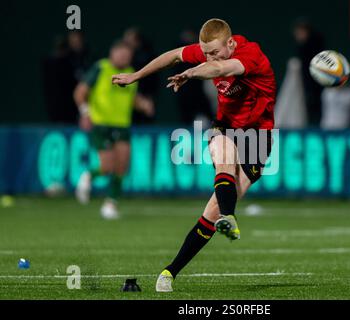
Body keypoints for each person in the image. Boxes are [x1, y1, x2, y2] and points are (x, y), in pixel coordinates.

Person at [112, 18, 276, 292]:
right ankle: (170, 271)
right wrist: (135, 76)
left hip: (258, 140)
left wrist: (192, 72)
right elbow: (173, 55)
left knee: (209, 215)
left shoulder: (251, 56)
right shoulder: (210, 51)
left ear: (231, 43)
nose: (209, 56)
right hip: (225, 127)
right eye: (205, 52)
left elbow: (222, 67)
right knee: (222, 151)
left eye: (213, 51)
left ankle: (221, 218)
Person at [74, 41, 154, 219]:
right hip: (101, 124)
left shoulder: (132, 74)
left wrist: (143, 105)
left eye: (127, 55)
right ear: (112, 53)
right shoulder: (100, 68)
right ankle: (88, 176)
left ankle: (111, 204)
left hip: (122, 125)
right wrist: (85, 113)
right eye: (121, 54)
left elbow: (132, 99)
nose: (124, 57)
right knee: (107, 166)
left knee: (122, 166)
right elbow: (80, 92)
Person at [292, 18, 325, 127]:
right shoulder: (303, 48)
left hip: (317, 87)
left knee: (316, 109)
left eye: (300, 32)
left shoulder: (313, 47)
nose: (297, 35)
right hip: (309, 87)